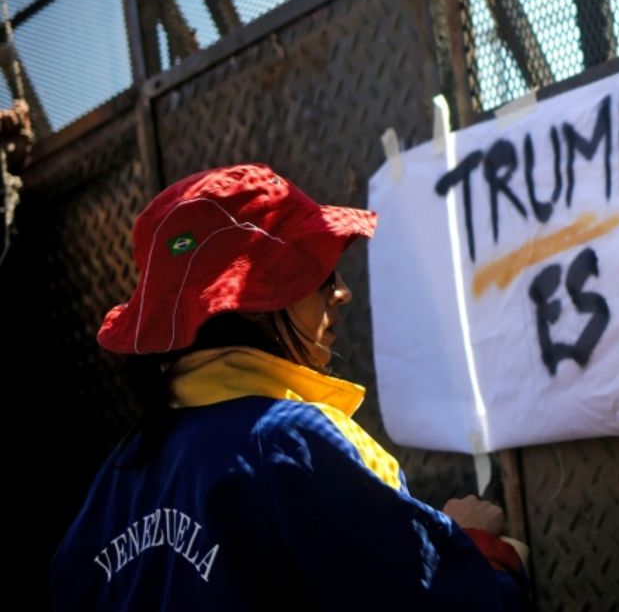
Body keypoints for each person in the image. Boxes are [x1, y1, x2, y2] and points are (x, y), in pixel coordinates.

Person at [52, 163, 529, 610]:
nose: (340, 290)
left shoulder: (121, 472)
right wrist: (476, 547)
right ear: (253, 302)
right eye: (317, 272)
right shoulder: (290, 439)